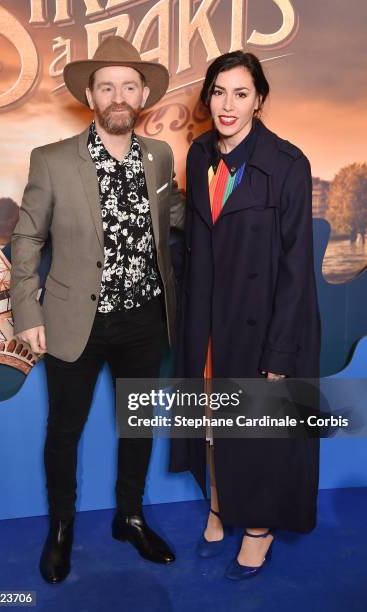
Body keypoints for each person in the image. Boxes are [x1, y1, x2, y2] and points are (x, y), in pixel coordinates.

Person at [10, 35, 184, 583]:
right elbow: (26, 241)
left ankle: (129, 517)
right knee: (65, 429)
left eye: (128, 86)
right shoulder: (53, 159)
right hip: (72, 320)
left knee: (136, 424)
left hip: (144, 320)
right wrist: (27, 313)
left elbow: (175, 212)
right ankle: (61, 526)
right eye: (106, 85)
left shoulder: (158, 156)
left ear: (142, 97)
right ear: (90, 94)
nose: (117, 95)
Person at [170, 50, 321, 580]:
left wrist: (280, 350)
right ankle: (219, 503)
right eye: (218, 92)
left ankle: (258, 528)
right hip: (209, 319)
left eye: (240, 93)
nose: (227, 105)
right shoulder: (198, 154)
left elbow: (297, 264)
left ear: (259, 99)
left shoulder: (286, 163)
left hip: (265, 322)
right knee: (213, 419)